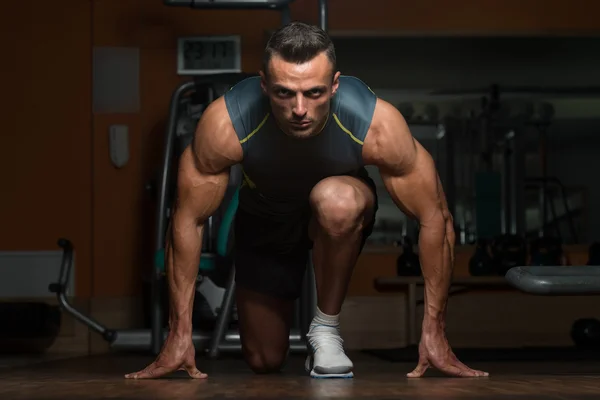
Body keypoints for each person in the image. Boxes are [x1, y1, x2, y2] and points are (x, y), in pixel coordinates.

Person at [125, 22, 488, 380]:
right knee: (263, 359)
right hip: (266, 215)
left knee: (336, 200)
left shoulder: (376, 124)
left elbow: (435, 219)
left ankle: (325, 330)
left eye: (314, 93)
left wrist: (435, 331)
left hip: (339, 206)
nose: (300, 109)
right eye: (284, 93)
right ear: (264, 85)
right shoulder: (226, 123)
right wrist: (179, 334)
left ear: (335, 85)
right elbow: (187, 221)